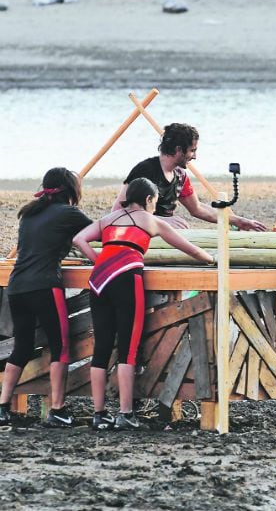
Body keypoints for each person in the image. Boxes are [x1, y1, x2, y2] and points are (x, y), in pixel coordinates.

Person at [74, 177, 215, 431]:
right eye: (155, 201)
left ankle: (99, 413)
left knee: (102, 347)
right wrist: (210, 259)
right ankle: (125, 413)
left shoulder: (109, 219)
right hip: (127, 279)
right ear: (149, 199)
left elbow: (79, 239)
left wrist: (98, 260)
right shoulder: (149, 220)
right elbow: (189, 249)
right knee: (128, 348)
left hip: (99, 281)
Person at [0, 168, 92, 428]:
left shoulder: (29, 214)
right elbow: (98, 233)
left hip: (17, 287)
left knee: (22, 347)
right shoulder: (69, 213)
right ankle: (58, 409)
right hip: (45, 286)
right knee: (60, 347)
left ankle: (2, 406)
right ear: (70, 190)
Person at [113, 122, 266, 232]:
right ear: (179, 149)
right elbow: (118, 211)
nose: (195, 156)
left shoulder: (180, 175)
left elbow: (197, 209)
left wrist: (239, 221)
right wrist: (163, 220)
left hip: (165, 233)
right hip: (139, 233)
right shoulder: (145, 170)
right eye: (192, 151)